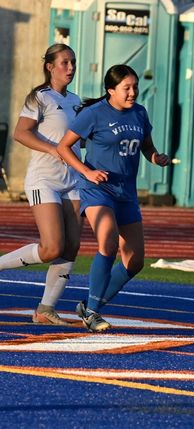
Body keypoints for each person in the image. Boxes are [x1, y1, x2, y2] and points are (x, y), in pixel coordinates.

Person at [56, 64, 170, 333]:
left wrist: (156, 157)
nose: (133, 92)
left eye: (135, 86)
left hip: (126, 194)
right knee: (107, 241)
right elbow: (63, 146)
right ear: (111, 90)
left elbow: (147, 146)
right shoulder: (94, 114)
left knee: (135, 261)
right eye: (126, 88)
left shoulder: (140, 113)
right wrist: (87, 171)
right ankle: (92, 313)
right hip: (97, 190)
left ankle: (89, 304)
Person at [0, 43, 81, 325]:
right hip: (43, 179)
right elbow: (21, 133)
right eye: (65, 63)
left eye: (73, 62)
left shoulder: (76, 100)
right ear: (50, 67)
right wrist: (53, 150)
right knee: (51, 248)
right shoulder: (39, 97)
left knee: (71, 246)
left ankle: (45, 310)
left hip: (72, 181)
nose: (70, 68)